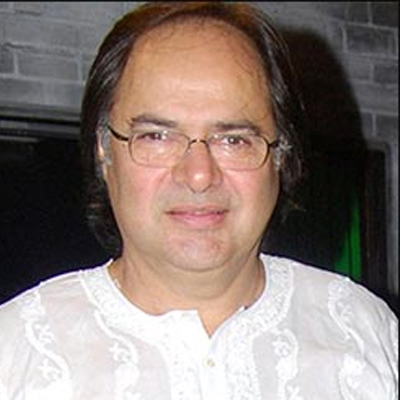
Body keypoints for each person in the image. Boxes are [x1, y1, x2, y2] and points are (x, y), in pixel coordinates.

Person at [0, 2, 397, 399]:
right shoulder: (18, 352)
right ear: (104, 151)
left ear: (282, 155)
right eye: (156, 136)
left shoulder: (364, 333)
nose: (199, 175)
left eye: (234, 140)